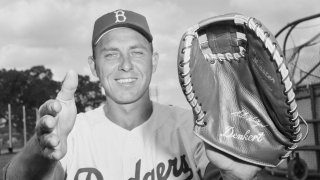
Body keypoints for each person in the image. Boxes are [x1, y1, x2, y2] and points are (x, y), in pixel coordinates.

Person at [3, 9, 261, 180]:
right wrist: (41, 148)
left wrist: (235, 173)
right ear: (93, 66)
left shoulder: (193, 127)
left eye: (137, 52)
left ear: (154, 61)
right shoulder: (73, 132)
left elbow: (220, 173)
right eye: (111, 54)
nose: (125, 64)